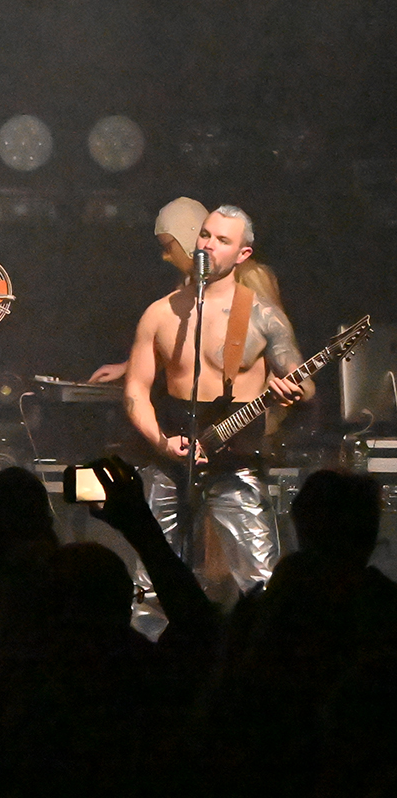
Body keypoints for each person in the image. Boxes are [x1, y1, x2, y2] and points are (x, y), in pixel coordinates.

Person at [121, 204, 312, 603]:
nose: (208, 245)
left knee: (261, 583)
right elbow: (136, 390)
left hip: (236, 463)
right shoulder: (160, 313)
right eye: (205, 234)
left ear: (243, 254)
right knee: (150, 584)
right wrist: (161, 442)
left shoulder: (262, 316)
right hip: (171, 462)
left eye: (222, 240)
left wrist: (291, 391)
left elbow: (304, 383)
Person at [88, 196, 283, 383]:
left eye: (168, 247)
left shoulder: (250, 276)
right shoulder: (186, 287)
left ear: (187, 238)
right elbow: (177, 347)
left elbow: (277, 350)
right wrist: (128, 367)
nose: (165, 256)